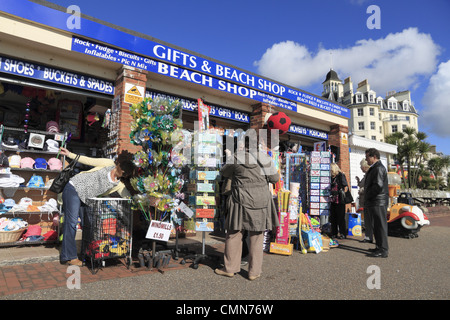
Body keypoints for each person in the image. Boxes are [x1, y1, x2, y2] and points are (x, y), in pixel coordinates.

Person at [59, 147, 135, 266]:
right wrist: (70, 154)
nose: (123, 172)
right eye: (123, 169)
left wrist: (141, 204)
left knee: (89, 225)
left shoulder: (118, 185)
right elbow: (89, 160)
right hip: (74, 188)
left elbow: (129, 197)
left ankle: (87, 253)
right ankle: (69, 257)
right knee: (72, 223)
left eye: (126, 173)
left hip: (86, 198)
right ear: (119, 165)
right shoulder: (108, 163)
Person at [215, 141, 279, 280]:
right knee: (257, 237)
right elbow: (275, 179)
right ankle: (254, 272)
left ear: (244, 146)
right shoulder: (265, 159)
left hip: (240, 200)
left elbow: (224, 172)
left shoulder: (237, 158)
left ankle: (230, 268)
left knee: (234, 234)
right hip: (261, 202)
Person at [364, 148, 389, 258]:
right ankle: (379, 246)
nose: (366, 159)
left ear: (374, 157)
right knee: (376, 225)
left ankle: (383, 250)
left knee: (380, 225)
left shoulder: (378, 168)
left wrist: (368, 195)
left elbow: (378, 186)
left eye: (367, 157)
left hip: (377, 201)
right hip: (375, 201)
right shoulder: (375, 168)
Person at [329, 162, 349, 239]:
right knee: (333, 217)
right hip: (332, 199)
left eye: (331, 169)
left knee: (340, 217)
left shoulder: (340, 175)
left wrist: (342, 192)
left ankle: (343, 233)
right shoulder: (331, 177)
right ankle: (334, 233)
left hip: (339, 199)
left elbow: (345, 186)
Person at [356, 159, 373, 243]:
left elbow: (367, 187)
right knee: (367, 219)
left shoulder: (369, 175)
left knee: (369, 219)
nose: (360, 168)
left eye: (361, 166)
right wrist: (358, 181)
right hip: (364, 200)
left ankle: (369, 236)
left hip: (367, 200)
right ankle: (368, 236)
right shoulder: (365, 175)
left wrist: (361, 191)